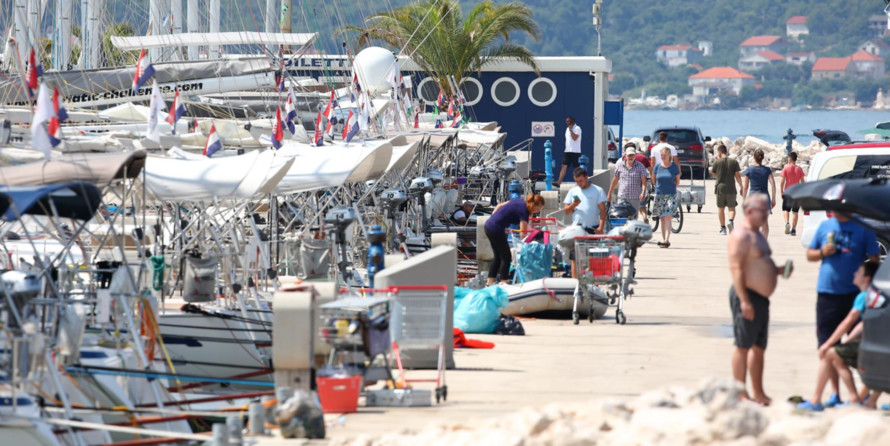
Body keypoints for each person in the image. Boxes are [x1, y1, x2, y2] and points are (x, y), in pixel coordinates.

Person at [806, 212, 880, 406]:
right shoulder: (824, 227)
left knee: (862, 347)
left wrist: (867, 279)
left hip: (854, 294)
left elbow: (875, 258)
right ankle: (835, 394)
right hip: (827, 293)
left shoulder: (863, 228)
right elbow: (810, 254)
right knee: (828, 344)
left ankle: (863, 394)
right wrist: (823, 252)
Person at [728, 193, 790, 406]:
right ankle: (740, 393)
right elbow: (736, 269)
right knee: (743, 345)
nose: (766, 215)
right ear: (750, 211)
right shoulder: (740, 235)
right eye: (763, 211)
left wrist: (778, 270)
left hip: (761, 298)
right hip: (746, 293)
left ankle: (759, 392)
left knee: (759, 346)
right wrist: (744, 301)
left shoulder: (758, 234)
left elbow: (762, 263)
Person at [798, 260, 880, 411]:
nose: (854, 274)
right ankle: (868, 400)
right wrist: (846, 341)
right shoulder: (876, 295)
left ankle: (852, 398)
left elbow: (848, 322)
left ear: (867, 278)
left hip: (871, 346)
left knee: (832, 354)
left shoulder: (863, 296)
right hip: (879, 345)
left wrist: (829, 343)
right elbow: (862, 325)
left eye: (859, 272)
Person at [484, 194, 545, 286]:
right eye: (538, 209)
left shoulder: (519, 201)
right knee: (506, 257)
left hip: (489, 225)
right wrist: (524, 246)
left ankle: (489, 282)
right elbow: (523, 233)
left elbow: (499, 206)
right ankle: (504, 282)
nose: (538, 211)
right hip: (496, 229)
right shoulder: (524, 211)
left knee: (497, 257)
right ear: (533, 205)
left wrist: (493, 219)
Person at [564, 168, 607, 278]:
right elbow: (567, 211)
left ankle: (590, 284)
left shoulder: (598, 190)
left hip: (592, 229)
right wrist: (574, 205)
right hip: (577, 230)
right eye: (577, 181)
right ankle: (575, 284)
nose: (579, 183)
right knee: (575, 258)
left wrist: (601, 227)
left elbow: (602, 211)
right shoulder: (573, 191)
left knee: (591, 258)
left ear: (587, 178)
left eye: (581, 181)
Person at [741, 149, 776, 237]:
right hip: (764, 198)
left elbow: (745, 187)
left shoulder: (749, 170)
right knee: (764, 223)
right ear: (763, 158)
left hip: (753, 197)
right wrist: (773, 199)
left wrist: (744, 200)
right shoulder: (767, 170)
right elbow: (773, 185)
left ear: (754, 158)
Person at [710, 144, 743, 235]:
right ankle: (730, 221)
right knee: (731, 208)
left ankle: (722, 228)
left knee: (721, 208)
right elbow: (737, 176)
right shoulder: (734, 162)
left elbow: (713, 174)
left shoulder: (717, 162)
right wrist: (741, 187)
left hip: (720, 188)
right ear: (726, 152)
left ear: (719, 152)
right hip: (731, 188)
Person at [652, 146, 680, 248]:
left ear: (669, 155)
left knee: (668, 216)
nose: (662, 156)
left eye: (664, 155)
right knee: (662, 218)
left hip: (671, 194)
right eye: (661, 155)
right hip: (660, 194)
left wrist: (672, 189)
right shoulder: (657, 166)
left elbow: (677, 181)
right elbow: (654, 180)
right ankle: (664, 240)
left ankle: (667, 239)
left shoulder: (674, 167)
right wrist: (658, 187)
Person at [607, 147, 649, 217]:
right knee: (620, 216)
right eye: (629, 155)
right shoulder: (620, 166)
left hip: (635, 196)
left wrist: (643, 192)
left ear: (635, 155)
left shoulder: (640, 166)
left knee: (634, 216)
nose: (631, 157)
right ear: (625, 156)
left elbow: (644, 181)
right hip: (622, 196)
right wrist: (609, 192)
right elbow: (615, 180)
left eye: (632, 155)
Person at [780, 152, 805, 236]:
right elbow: (803, 182)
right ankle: (793, 229)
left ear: (790, 159)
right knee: (795, 211)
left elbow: (782, 182)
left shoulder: (786, 168)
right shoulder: (799, 169)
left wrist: (781, 191)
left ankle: (787, 222)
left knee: (786, 209)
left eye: (788, 157)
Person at [555, 116, 582, 186]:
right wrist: (569, 129)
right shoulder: (567, 129)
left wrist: (571, 130)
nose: (566, 123)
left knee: (577, 168)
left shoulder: (577, 128)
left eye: (568, 121)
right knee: (564, 166)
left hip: (575, 151)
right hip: (567, 151)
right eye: (566, 121)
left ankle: (580, 182)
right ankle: (559, 182)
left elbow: (575, 138)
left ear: (572, 122)